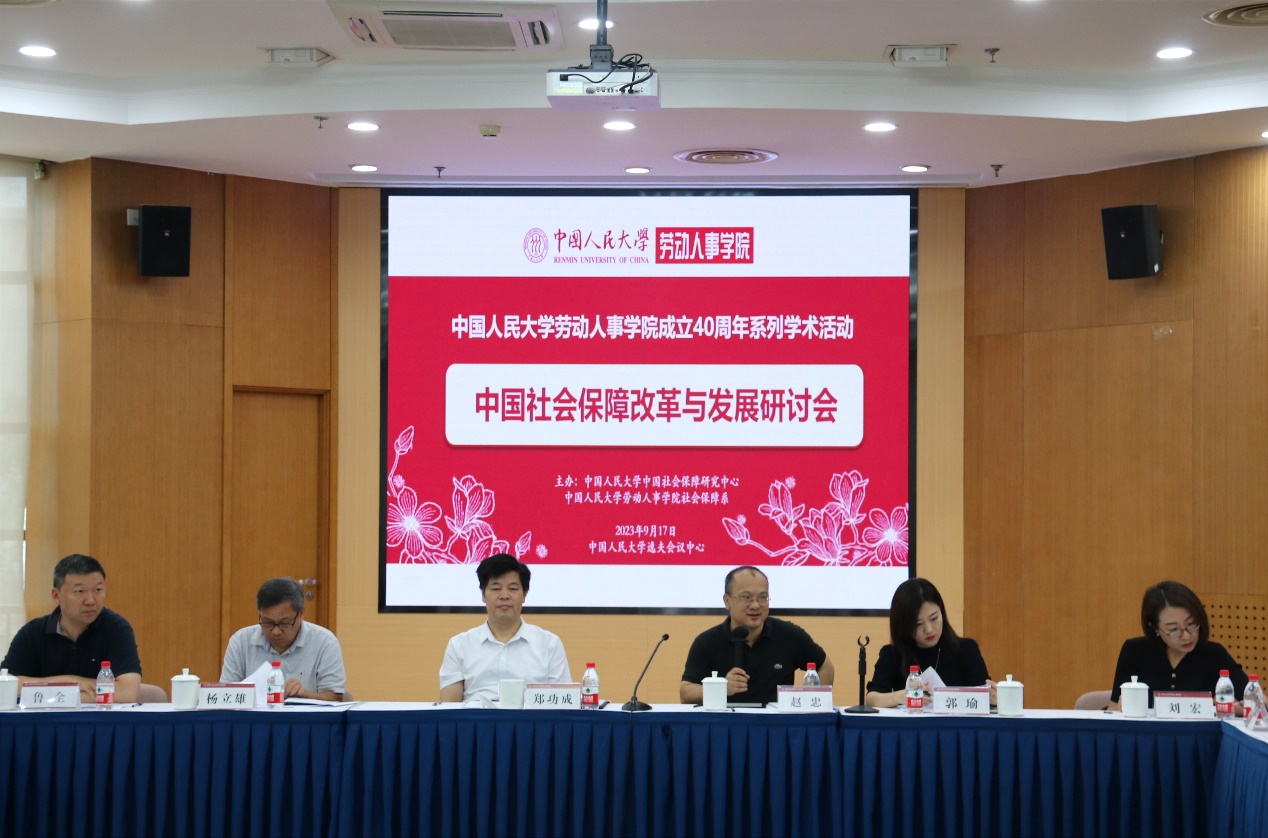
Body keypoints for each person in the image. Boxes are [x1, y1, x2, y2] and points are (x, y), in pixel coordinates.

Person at [680, 565, 833, 705]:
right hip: (727, 723)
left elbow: (825, 667)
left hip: (775, 723)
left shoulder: (789, 635)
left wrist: (811, 705)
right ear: (727, 601)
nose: (755, 605)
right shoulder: (707, 642)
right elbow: (686, 693)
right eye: (746, 597)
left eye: (763, 597)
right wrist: (721, 688)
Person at [1, 553, 142, 704]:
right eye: (79, 591)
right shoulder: (32, 632)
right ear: (56, 595)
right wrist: (71, 681)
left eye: (98, 590)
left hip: (98, 718)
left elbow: (127, 692)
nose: (90, 601)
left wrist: (50, 695)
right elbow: (6, 684)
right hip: (47, 718)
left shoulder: (117, 629)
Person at [439, 553, 571, 702]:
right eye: (496, 588)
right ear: (483, 595)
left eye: (513, 588)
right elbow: (449, 707)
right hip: (477, 717)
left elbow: (562, 704)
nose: (504, 595)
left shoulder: (549, 645)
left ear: (524, 595)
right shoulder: (459, 646)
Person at [1108, 580, 1247, 711]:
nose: (1186, 636)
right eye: (1174, 630)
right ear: (1155, 628)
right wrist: (1121, 707)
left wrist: (1237, 708)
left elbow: (1254, 700)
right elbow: (1112, 709)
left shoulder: (1214, 654)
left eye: (1191, 624)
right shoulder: (1135, 651)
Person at [865, 577, 993, 707]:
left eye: (934, 618)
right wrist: (901, 696)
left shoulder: (967, 650)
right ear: (904, 626)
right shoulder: (893, 654)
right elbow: (871, 699)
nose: (929, 629)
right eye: (918, 624)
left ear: (941, 611)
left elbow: (985, 695)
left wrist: (995, 697)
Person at [220, 577, 346, 701]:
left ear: (301, 614)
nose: (275, 631)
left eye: (284, 623)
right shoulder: (241, 641)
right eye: (267, 622)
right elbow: (225, 695)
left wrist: (306, 695)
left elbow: (335, 697)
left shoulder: (325, 642)